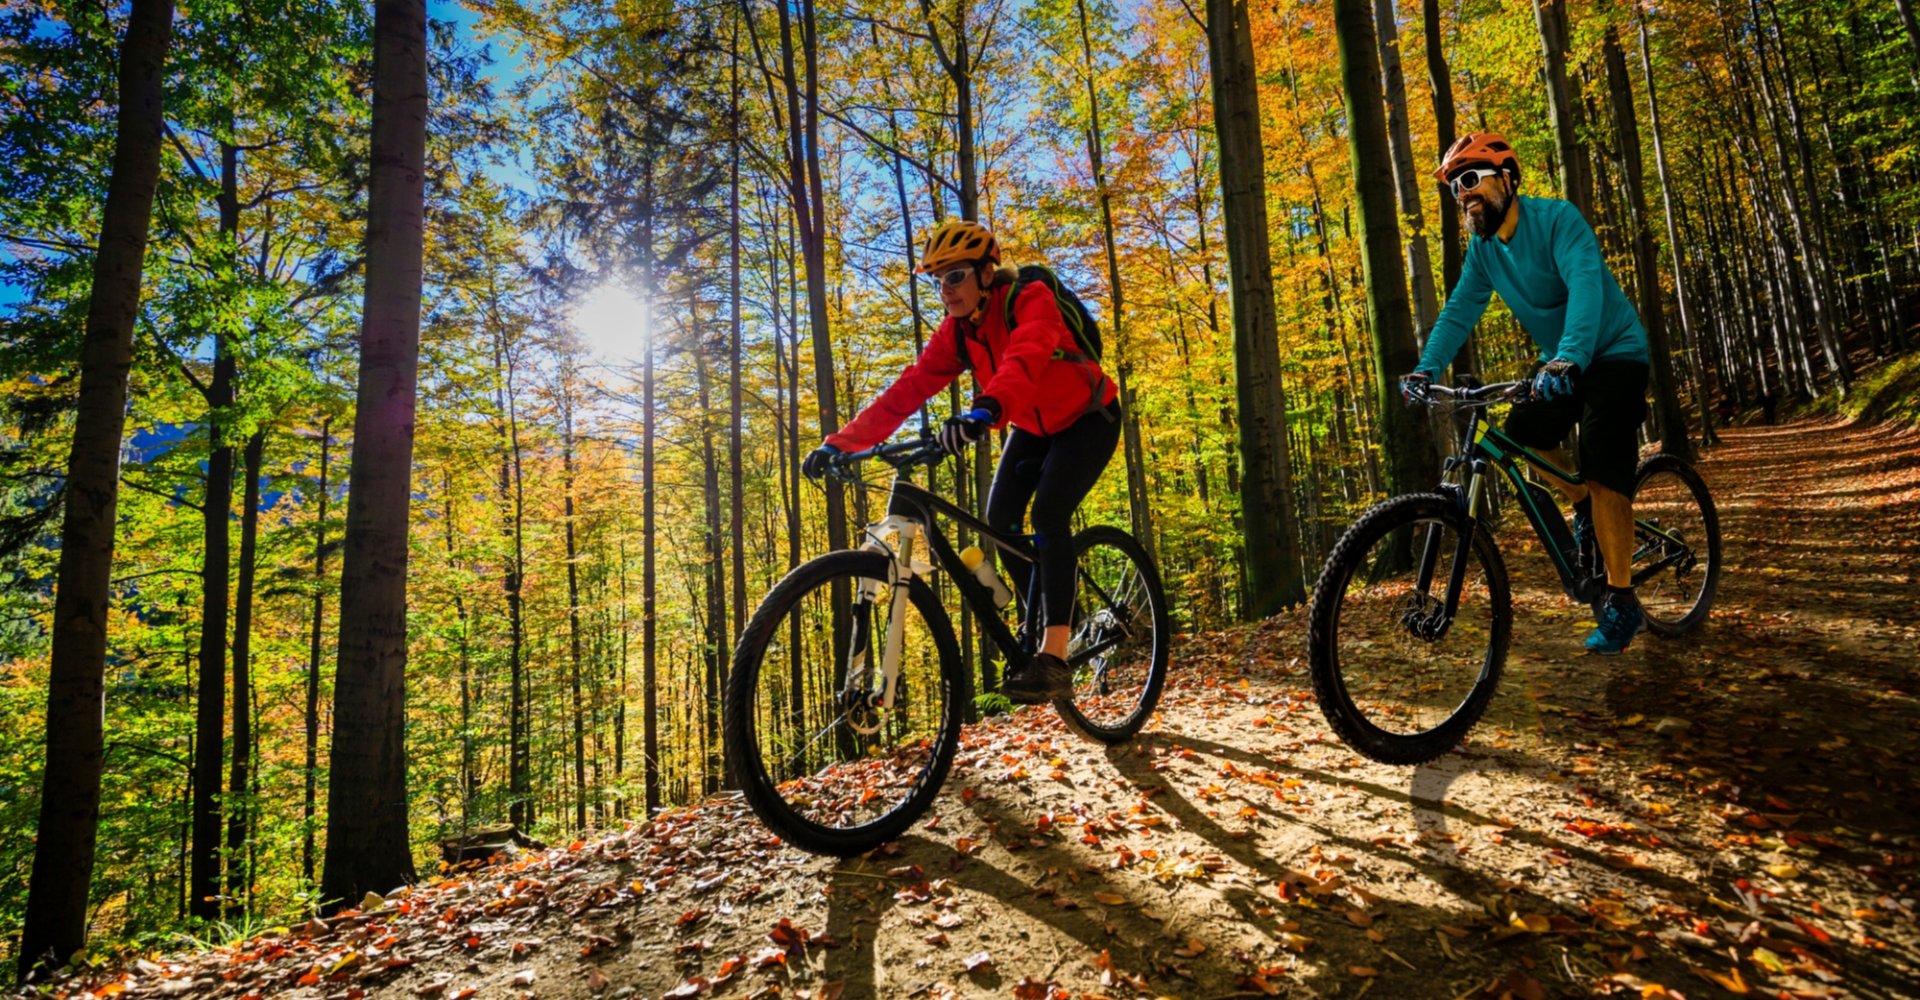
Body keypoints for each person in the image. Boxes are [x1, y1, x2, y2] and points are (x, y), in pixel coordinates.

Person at [802, 220, 1121, 701]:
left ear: (987, 272)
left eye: (955, 276)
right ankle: (1056, 613)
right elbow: (907, 390)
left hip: (1089, 416)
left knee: (1049, 513)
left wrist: (986, 409)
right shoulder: (956, 334)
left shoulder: (1029, 298)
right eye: (937, 280)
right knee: (999, 520)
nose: (945, 290)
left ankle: (1054, 655)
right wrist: (840, 443)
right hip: (1033, 427)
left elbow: (1028, 354)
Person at [1400, 133, 1652, 655]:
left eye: (1472, 179)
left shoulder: (1558, 220)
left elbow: (1585, 285)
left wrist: (1569, 356)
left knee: (1605, 467)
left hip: (1613, 352)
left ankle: (1623, 601)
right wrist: (1425, 369)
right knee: (1518, 436)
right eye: (1454, 188)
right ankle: (1580, 503)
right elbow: (1458, 311)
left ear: (1508, 179)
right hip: (1562, 358)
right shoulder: (1484, 251)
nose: (1463, 194)